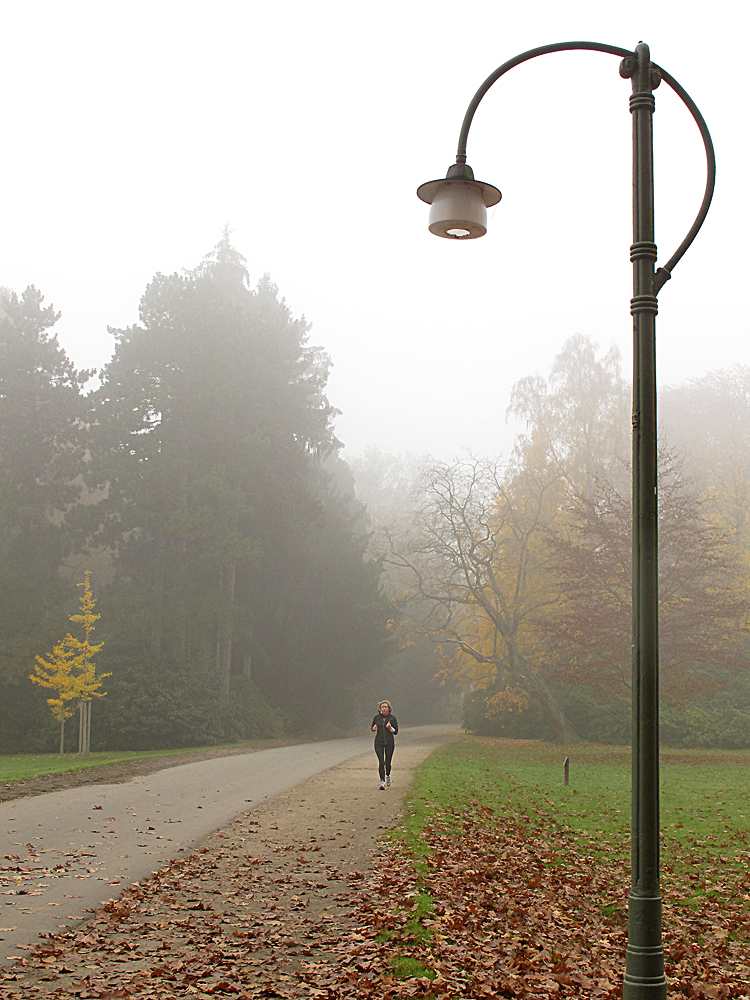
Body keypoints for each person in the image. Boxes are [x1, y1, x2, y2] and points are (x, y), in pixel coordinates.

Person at [371, 700, 398, 790]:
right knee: (381, 762)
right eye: (382, 707)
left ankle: (388, 775)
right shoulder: (377, 718)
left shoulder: (392, 718)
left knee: (388, 762)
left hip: (389, 742)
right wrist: (374, 728)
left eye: (386, 707)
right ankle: (382, 782)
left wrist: (390, 728)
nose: (384, 708)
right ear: (380, 709)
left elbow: (396, 732)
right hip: (379, 742)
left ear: (389, 708)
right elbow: (372, 727)